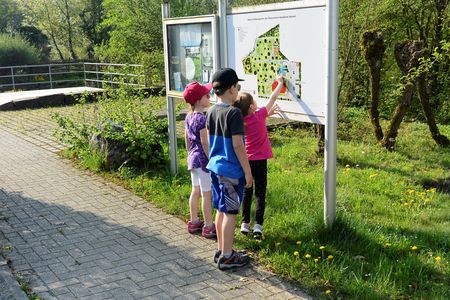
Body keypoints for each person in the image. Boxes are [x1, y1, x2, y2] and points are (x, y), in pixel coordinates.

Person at [206, 68, 253, 270]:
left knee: (221, 210)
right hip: (231, 172)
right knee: (231, 213)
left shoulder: (210, 111)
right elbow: (238, 145)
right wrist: (248, 172)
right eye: (238, 86)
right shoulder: (233, 113)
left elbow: (209, 140)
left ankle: (221, 249)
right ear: (232, 88)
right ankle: (227, 257)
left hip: (215, 168)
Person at [233, 74, 284, 240]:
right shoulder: (260, 114)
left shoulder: (242, 121)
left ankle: (244, 224)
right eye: (254, 101)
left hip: (246, 162)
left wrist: (267, 113)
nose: (257, 103)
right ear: (251, 107)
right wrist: (280, 82)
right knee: (260, 193)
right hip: (260, 162)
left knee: (247, 192)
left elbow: (258, 118)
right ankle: (258, 227)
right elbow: (273, 96)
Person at [183, 82, 216, 238]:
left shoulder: (188, 116)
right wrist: (211, 158)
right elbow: (205, 141)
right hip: (202, 160)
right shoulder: (201, 118)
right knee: (206, 194)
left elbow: (186, 138)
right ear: (197, 100)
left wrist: (189, 152)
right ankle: (209, 225)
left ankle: (194, 221)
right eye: (206, 95)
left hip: (192, 158)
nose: (209, 97)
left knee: (195, 191)